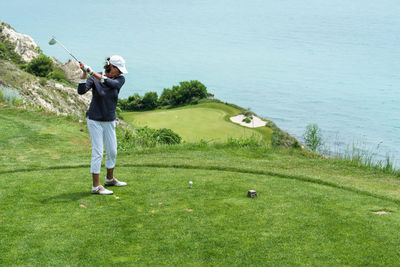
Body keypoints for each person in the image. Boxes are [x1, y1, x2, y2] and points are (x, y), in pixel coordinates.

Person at [78, 55, 128, 195]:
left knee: (112, 151)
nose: (120, 72)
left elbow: (111, 84)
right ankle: (96, 186)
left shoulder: (120, 79)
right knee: (98, 152)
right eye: (118, 69)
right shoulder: (95, 78)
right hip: (94, 120)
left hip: (109, 120)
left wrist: (92, 72)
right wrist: (84, 73)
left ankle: (110, 179)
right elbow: (81, 91)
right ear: (111, 66)